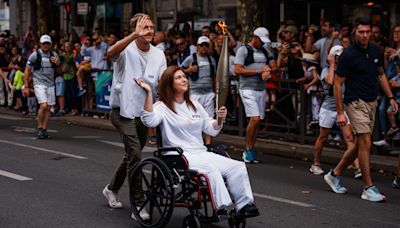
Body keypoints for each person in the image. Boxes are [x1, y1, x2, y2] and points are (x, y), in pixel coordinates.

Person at [136, 65, 260, 218]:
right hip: (178, 156)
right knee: (211, 171)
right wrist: (148, 92)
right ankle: (221, 206)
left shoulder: (194, 105)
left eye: (184, 76)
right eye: (179, 77)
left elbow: (211, 128)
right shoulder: (162, 107)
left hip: (200, 152)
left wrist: (220, 118)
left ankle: (245, 205)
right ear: (169, 83)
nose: (184, 80)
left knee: (237, 167)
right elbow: (149, 121)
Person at [324, 19, 398, 202]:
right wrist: (340, 112)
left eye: (367, 31)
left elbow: (380, 74)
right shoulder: (348, 55)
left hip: (372, 102)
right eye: (361, 32)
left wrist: (390, 97)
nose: (365, 35)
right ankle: (368, 187)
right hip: (355, 103)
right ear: (354, 33)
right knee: (366, 143)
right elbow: (337, 83)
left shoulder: (375, 50)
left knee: (359, 145)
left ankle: (335, 174)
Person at [102, 13, 167, 221]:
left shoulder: (159, 55)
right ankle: (138, 203)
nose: (149, 31)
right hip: (122, 112)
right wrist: (132, 36)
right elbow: (110, 53)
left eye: (151, 27)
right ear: (135, 30)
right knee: (136, 155)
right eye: (144, 27)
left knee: (132, 155)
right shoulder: (125, 50)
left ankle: (111, 188)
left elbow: (164, 84)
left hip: (144, 113)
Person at [310, 45, 361, 178]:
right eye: (338, 56)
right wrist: (332, 64)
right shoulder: (326, 70)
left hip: (343, 109)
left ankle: (358, 168)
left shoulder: (347, 70)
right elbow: (330, 81)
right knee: (323, 137)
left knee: (350, 138)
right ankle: (315, 164)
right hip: (328, 108)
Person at [234, 27, 277, 163]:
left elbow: (274, 65)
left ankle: (251, 149)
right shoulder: (243, 50)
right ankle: (247, 150)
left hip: (261, 89)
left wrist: (268, 70)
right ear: (255, 37)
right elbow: (237, 70)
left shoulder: (266, 50)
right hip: (247, 88)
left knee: (258, 122)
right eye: (261, 40)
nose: (262, 43)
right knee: (255, 119)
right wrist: (259, 71)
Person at [23, 34, 60, 139]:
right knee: (43, 105)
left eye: (47, 43)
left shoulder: (54, 55)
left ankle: (44, 129)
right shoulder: (35, 55)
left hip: (51, 84)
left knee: (48, 107)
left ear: (51, 44)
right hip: (39, 83)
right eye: (44, 43)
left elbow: (59, 71)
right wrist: (26, 86)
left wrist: (57, 63)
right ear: (40, 44)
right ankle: (39, 128)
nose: (45, 45)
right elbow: (27, 70)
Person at [181, 36, 216, 144]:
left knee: (209, 118)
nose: (204, 47)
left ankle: (208, 143)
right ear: (197, 46)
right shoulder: (191, 58)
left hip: (209, 93)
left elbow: (214, 76)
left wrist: (216, 91)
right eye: (202, 45)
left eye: (206, 45)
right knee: (194, 117)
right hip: (194, 93)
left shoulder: (212, 59)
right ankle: (194, 141)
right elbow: (180, 70)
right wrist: (189, 70)